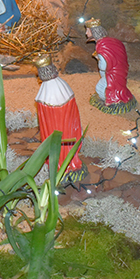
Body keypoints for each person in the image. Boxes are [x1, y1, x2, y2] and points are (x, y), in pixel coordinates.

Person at [33, 53, 84, 183]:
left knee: (61, 145)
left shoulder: (46, 93)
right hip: (68, 132)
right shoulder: (63, 87)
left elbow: (48, 122)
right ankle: (65, 163)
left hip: (60, 134)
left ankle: (62, 166)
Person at [85, 19, 137, 114]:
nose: (86, 33)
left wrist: (98, 59)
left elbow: (103, 66)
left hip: (113, 73)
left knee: (100, 88)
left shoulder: (101, 46)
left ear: (93, 32)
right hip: (120, 69)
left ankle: (112, 101)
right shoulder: (109, 41)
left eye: (88, 31)